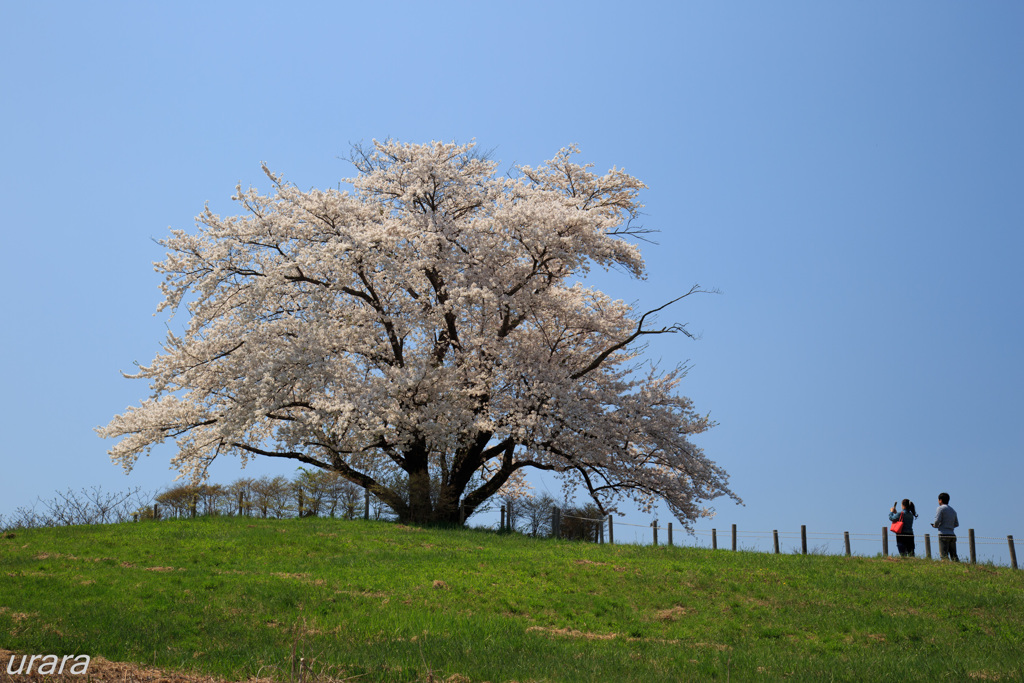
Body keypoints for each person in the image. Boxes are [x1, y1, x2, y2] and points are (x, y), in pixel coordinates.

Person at [931, 492, 959, 561]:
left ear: (940, 500)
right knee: (954, 556)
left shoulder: (940, 508)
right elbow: (956, 524)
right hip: (952, 534)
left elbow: (937, 521)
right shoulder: (953, 511)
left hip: (943, 534)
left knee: (944, 556)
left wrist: (935, 526)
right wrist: (949, 526)